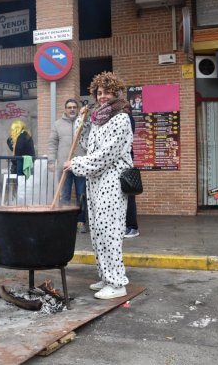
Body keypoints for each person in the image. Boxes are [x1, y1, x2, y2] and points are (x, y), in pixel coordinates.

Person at [64, 71, 133, 300]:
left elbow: (105, 156)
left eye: (107, 92)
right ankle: (106, 276)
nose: (103, 96)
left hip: (112, 182)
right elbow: (85, 145)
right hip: (95, 182)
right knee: (98, 232)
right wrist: (81, 124)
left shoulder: (121, 118)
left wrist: (75, 164)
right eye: (99, 93)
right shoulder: (97, 119)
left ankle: (117, 282)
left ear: (116, 92)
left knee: (110, 232)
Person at [48, 99, 87, 234]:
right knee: (64, 195)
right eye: (69, 107)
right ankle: (65, 221)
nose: (72, 109)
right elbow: (52, 144)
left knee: (81, 194)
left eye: (74, 107)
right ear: (65, 109)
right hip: (64, 166)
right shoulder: (57, 124)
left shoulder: (83, 122)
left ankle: (80, 222)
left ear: (77, 109)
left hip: (81, 165)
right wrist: (51, 161)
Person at [124, 111, 140, 238]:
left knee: (128, 196)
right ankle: (128, 226)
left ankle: (132, 227)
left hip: (126, 165)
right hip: (126, 163)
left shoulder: (126, 118)